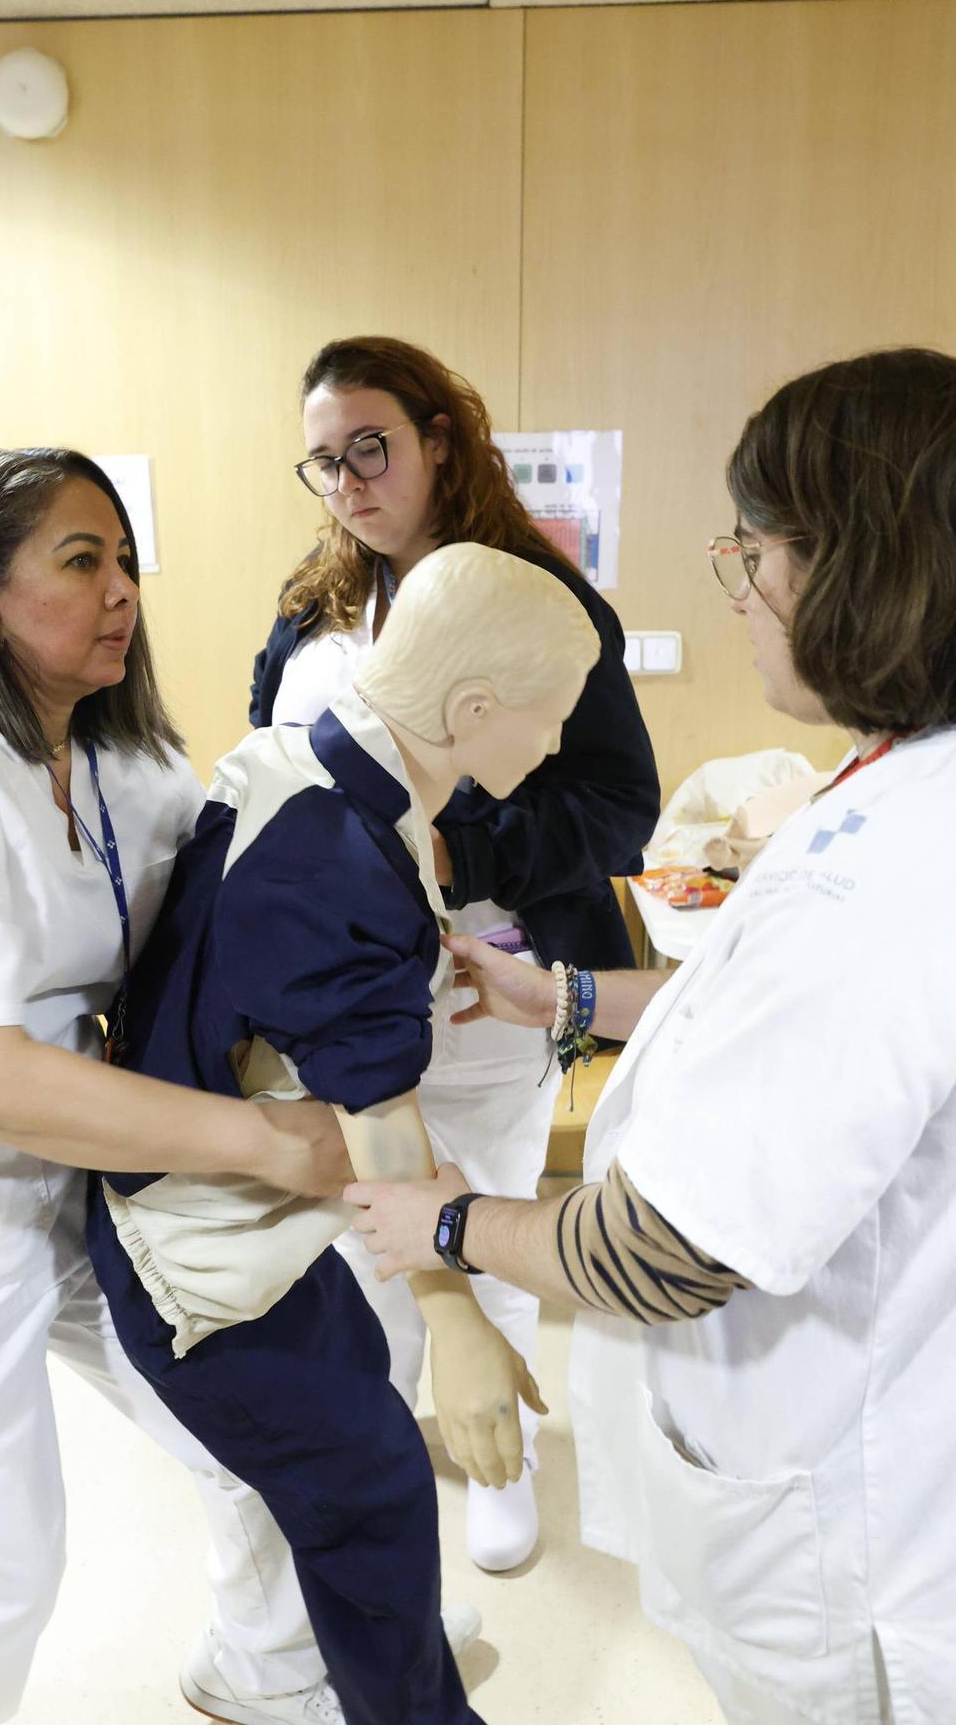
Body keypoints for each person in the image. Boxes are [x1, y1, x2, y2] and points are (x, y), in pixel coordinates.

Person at [345, 347, 956, 1725]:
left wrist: (450, 1232)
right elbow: (748, 1014)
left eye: (757, 554)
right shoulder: (891, 775)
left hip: (852, 1540)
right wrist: (559, 998)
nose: (741, 593)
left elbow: (667, 1248)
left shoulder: (899, 869)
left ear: (867, 564)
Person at [0, 448, 359, 1725]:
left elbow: (238, 896)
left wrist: (404, 948)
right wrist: (264, 1143)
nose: (122, 593)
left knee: (254, 1426)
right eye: (81, 561)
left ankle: (263, 1669)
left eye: (128, 562)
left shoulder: (117, 760)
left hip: (69, 1192)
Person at [87, 542, 602, 1725]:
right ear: (473, 711)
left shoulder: (316, 764)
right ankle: (409, 1703)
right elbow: (379, 1115)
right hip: (196, 1247)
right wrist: (455, 1310)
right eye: (552, 716)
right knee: (372, 1481)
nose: (559, 743)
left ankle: (394, 1649)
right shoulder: (341, 861)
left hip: (253, 1203)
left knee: (364, 1413)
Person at [250, 335, 659, 1570]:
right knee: (355, 1231)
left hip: (486, 991)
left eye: (370, 446)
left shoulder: (544, 601)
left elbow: (618, 805)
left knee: (471, 1216)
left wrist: (456, 862)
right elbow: (272, 779)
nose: (349, 481)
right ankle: (385, 1446)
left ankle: (503, 1448)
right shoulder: (309, 610)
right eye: (323, 461)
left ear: (440, 438)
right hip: (336, 998)